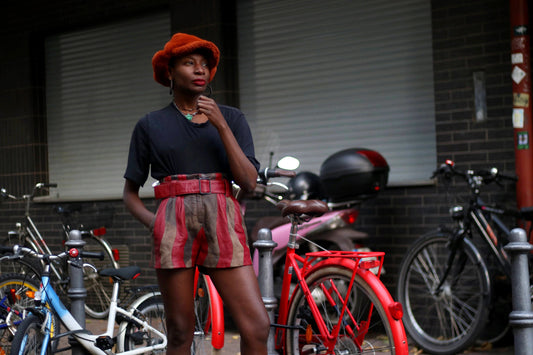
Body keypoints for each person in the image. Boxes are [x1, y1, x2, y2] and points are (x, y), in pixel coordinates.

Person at [123, 32, 269, 355]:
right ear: (170, 72)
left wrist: (220, 125)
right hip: (172, 222)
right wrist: (157, 223)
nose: (200, 70)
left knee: (257, 326)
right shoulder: (150, 125)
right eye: (190, 63)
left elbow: (247, 181)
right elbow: (130, 194)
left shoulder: (231, 118)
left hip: (222, 218)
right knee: (179, 331)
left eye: (205, 64)